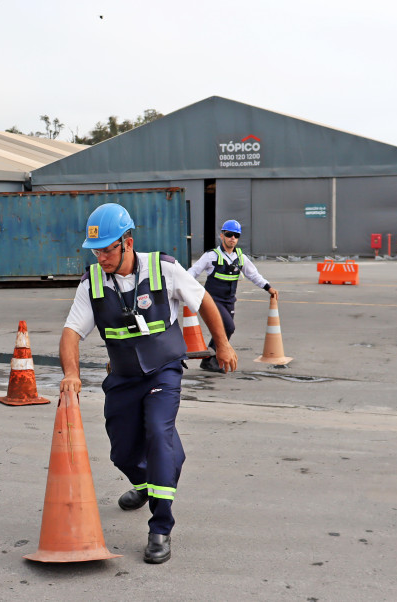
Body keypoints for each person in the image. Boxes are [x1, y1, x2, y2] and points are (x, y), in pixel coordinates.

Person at [59, 203, 237, 564]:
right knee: (122, 451)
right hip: (123, 377)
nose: (101, 257)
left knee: (158, 432)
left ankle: (161, 528)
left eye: (108, 248)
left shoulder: (164, 268)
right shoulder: (91, 282)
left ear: (128, 242)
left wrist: (222, 343)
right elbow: (71, 332)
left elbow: (203, 301)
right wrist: (71, 373)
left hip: (163, 371)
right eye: (96, 250)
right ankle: (144, 484)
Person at [187, 219, 278, 373]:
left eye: (236, 235)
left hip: (229, 301)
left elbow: (253, 275)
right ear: (222, 235)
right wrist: (184, 286)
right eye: (229, 235)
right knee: (229, 326)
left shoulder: (241, 258)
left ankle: (209, 360)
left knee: (227, 330)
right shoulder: (211, 256)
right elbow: (193, 271)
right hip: (213, 300)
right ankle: (212, 360)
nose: (232, 238)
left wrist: (268, 287)